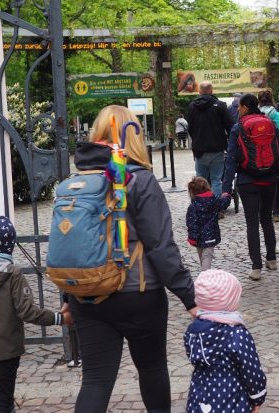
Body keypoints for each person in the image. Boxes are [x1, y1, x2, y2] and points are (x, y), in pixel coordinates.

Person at [64, 105, 198, 413]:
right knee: (151, 370)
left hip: (88, 295)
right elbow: (161, 245)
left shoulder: (76, 182)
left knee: (95, 380)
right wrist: (189, 297)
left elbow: (72, 241)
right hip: (138, 292)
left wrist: (68, 294)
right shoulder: (140, 180)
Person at [0, 216, 69, 412]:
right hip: (7, 348)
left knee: (3, 389)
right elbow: (27, 311)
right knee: (1, 396)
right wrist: (59, 318)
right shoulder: (13, 274)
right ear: (10, 246)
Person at [222, 93, 279, 281]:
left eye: (239, 107)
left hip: (247, 181)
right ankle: (272, 259)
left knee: (252, 223)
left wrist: (226, 189)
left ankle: (256, 267)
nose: (237, 110)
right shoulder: (270, 124)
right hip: (269, 180)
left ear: (244, 107)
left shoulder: (238, 127)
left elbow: (231, 160)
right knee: (266, 220)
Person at [184, 269, 267, 413]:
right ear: (229, 301)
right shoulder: (236, 334)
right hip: (232, 398)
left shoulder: (193, 331)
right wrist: (257, 396)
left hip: (199, 396)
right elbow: (251, 370)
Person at [188, 81, 235, 197]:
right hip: (217, 148)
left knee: (200, 180)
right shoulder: (220, 105)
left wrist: (196, 141)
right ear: (211, 90)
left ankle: (200, 206)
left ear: (199, 91)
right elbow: (230, 126)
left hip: (200, 149)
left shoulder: (192, 106)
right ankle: (217, 209)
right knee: (216, 180)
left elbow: (190, 128)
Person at [258, 90, 279, 223]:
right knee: (276, 181)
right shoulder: (278, 116)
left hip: (258, 155)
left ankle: (261, 210)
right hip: (276, 154)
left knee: (259, 181)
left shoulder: (254, 116)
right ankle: (275, 212)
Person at [186, 176, 231, 271]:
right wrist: (226, 196)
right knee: (207, 257)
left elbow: (192, 224)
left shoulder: (193, 206)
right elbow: (224, 203)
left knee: (203, 257)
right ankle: (205, 277)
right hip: (211, 236)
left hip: (198, 239)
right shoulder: (214, 201)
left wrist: (192, 238)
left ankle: (204, 275)